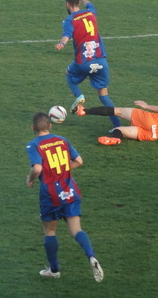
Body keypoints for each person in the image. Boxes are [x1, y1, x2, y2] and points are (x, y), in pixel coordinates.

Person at [26, 111, 104, 282]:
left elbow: (37, 168)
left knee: (50, 230)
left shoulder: (34, 145)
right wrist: (61, 170)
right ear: (50, 126)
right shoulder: (62, 140)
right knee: (76, 230)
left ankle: (54, 270)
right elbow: (79, 161)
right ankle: (91, 256)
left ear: (33, 128)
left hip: (51, 194)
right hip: (70, 190)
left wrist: (30, 179)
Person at [55, 0, 120, 129]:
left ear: (67, 4)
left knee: (69, 74)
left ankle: (79, 96)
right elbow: (90, 5)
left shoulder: (69, 20)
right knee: (103, 96)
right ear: (79, 2)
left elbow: (67, 34)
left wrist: (62, 43)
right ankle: (117, 125)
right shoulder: (91, 13)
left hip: (83, 62)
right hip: (101, 62)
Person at [76, 85, 158, 145]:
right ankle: (115, 139)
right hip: (155, 134)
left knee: (118, 111)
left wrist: (146, 106)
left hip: (151, 120)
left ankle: (85, 111)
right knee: (119, 130)